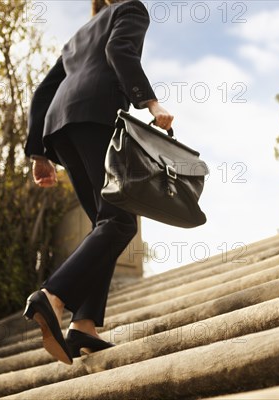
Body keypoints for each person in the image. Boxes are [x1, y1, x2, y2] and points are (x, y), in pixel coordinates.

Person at [23, 0, 173, 365]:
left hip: (59, 128)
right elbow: (118, 50)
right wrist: (152, 105)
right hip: (96, 116)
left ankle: (84, 327)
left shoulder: (77, 36)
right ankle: (52, 296)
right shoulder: (132, 9)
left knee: (104, 224)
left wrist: (38, 152)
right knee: (121, 220)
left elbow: (43, 92)